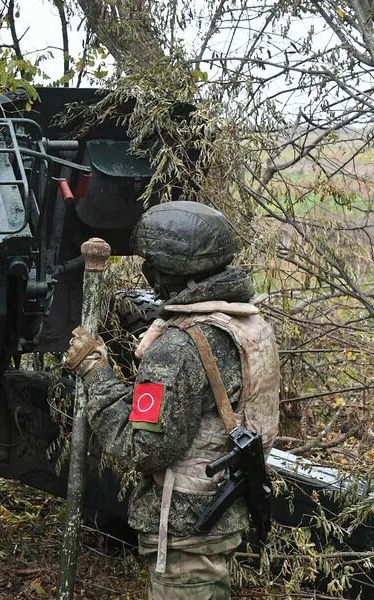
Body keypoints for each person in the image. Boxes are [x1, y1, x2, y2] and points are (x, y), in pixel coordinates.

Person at [65, 201, 280, 599]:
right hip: (222, 509)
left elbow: (143, 446)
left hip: (187, 527)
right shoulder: (245, 321)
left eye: (150, 263)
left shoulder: (178, 349)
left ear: (165, 271)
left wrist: (95, 374)